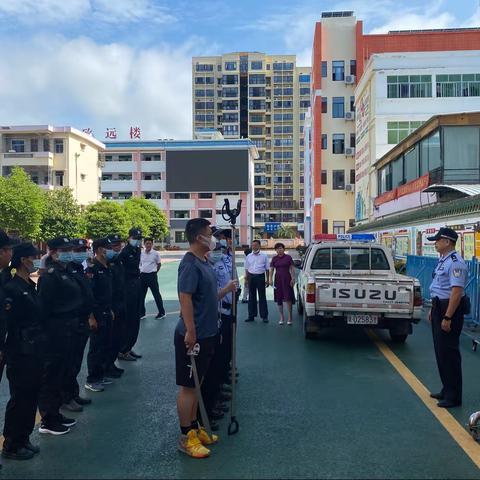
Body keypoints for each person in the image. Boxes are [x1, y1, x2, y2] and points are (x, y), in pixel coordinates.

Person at [175, 218, 236, 458]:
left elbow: (208, 297)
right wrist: (190, 330)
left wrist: (226, 290)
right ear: (199, 237)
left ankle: (194, 428)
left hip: (209, 332)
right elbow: (185, 297)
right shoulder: (190, 264)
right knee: (188, 387)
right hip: (195, 335)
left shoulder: (205, 261)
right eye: (210, 233)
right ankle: (185, 437)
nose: (213, 237)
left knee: (197, 384)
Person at [2, 243, 45, 460]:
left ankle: (24, 438)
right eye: (32, 257)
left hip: (35, 348)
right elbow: (10, 324)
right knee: (20, 397)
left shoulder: (28, 284)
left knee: (31, 395)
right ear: (22, 260)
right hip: (20, 351)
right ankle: (11, 443)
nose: (35, 261)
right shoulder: (12, 288)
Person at [38, 237, 81, 435]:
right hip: (55, 331)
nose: (69, 252)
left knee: (61, 373)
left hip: (67, 328)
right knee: (51, 376)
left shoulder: (64, 271)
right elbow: (45, 308)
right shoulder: (49, 276)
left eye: (69, 249)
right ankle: (48, 420)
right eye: (64, 250)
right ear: (54, 252)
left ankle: (55, 414)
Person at [428, 227, 468, 409]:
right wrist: (433, 309)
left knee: (449, 353)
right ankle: (446, 389)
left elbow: (456, 292)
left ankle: (454, 396)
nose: (435, 243)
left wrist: (447, 316)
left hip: (449, 309)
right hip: (439, 306)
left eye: (437, 240)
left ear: (447, 242)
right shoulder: (443, 260)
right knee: (440, 352)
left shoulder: (455, 262)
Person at [61, 238, 94, 411]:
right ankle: (66, 398)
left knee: (75, 362)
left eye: (84, 249)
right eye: (79, 249)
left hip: (81, 321)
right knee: (69, 363)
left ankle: (73, 394)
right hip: (71, 322)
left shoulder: (79, 269)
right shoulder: (66, 271)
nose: (83, 252)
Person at [85, 238, 114, 393]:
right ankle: (92, 379)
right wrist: (91, 317)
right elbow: (90, 294)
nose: (108, 250)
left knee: (105, 344)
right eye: (106, 248)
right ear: (98, 250)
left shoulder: (106, 266)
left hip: (106, 311)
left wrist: (109, 309)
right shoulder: (93, 268)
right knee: (95, 347)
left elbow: (106, 293)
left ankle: (100, 374)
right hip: (96, 313)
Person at [118, 228, 143, 361]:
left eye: (139, 238)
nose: (137, 240)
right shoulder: (125, 252)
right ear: (129, 238)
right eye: (135, 238)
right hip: (128, 287)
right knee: (129, 319)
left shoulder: (137, 250)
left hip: (136, 284)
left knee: (135, 319)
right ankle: (123, 350)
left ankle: (129, 347)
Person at [105, 234, 127, 376]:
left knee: (117, 336)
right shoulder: (104, 264)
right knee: (109, 339)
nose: (117, 248)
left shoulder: (118, 260)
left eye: (119, 245)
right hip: (110, 305)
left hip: (120, 303)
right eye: (114, 245)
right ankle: (105, 366)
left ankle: (111, 364)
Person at [269, 243, 296, 325]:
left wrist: (293, 278)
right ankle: (281, 317)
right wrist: (270, 279)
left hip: (287, 279)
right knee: (279, 298)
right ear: (275, 250)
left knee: (288, 298)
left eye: (280, 248)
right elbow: (271, 269)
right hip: (278, 280)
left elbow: (292, 268)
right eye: (277, 249)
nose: (279, 250)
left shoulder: (288, 257)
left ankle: (290, 318)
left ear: (283, 249)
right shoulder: (274, 258)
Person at [139, 238, 165, 320]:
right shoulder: (141, 254)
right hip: (143, 276)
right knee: (141, 295)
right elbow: (140, 264)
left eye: (150, 243)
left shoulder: (155, 254)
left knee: (156, 295)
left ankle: (161, 313)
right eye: (147, 243)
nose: (148, 245)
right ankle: (142, 313)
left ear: (152, 244)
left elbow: (159, 264)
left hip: (152, 276)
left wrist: (154, 272)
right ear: (144, 244)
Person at [245, 240, 269, 323]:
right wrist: (246, 280)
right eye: (253, 245)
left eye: (255, 245)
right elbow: (246, 269)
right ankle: (251, 315)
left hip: (260, 276)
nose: (254, 247)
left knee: (262, 296)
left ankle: (264, 316)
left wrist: (268, 279)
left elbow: (267, 269)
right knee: (251, 296)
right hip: (251, 276)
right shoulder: (248, 256)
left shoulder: (264, 256)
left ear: (259, 246)